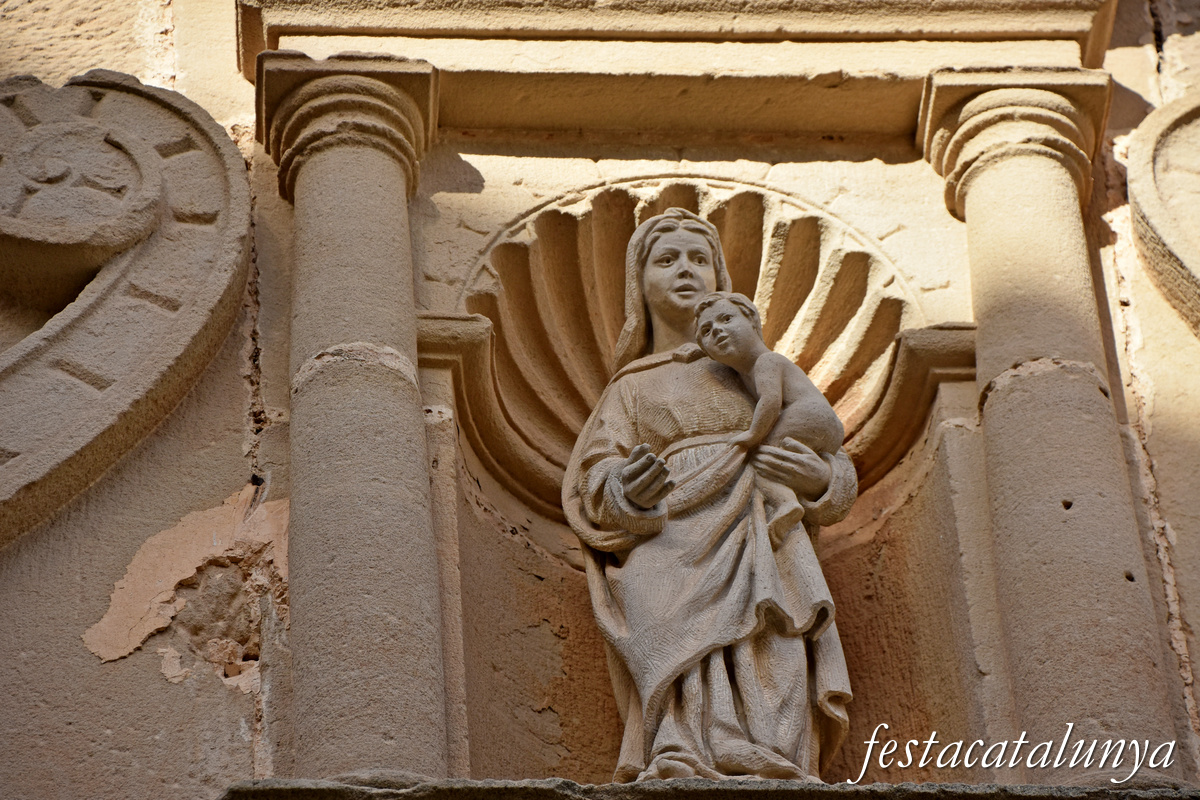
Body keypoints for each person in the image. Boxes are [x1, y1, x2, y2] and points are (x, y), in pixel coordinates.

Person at [562, 208, 858, 782]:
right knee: (672, 641)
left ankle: (771, 754)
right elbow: (591, 479)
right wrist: (627, 489)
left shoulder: (751, 366)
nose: (685, 270)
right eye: (666, 259)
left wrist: (820, 482)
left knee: (770, 640)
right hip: (671, 538)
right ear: (639, 282)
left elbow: (829, 454)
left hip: (762, 532)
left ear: (721, 279)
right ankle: (679, 749)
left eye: (700, 259)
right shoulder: (632, 386)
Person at [693, 291, 844, 547]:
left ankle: (786, 503)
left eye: (726, 319)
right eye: (706, 331)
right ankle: (786, 502)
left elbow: (770, 402)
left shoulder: (767, 361)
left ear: (752, 320)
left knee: (761, 460)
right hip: (821, 423)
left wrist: (753, 435)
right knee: (771, 462)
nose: (717, 330)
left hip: (810, 415)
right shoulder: (745, 373)